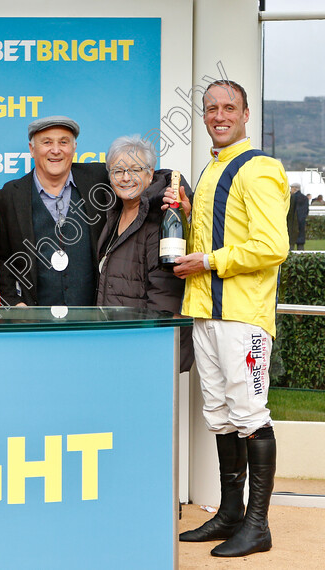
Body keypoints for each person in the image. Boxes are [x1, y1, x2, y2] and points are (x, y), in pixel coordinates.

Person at [168, 80, 289, 558]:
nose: (219, 115)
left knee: (249, 416)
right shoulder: (214, 169)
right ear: (203, 115)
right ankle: (230, 513)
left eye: (228, 108)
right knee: (219, 416)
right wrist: (186, 212)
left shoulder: (258, 168)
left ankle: (258, 525)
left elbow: (272, 246)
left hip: (243, 318)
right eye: (211, 108)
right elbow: (219, 232)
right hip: (205, 312)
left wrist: (210, 262)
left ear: (245, 115)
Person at [96, 135, 194, 372]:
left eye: (135, 169)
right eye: (118, 170)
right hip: (115, 341)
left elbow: (164, 295)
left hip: (143, 347)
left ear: (150, 174)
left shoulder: (160, 219)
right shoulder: (115, 214)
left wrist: (150, 350)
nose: (126, 177)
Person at [0, 116, 111, 307]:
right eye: (47, 142)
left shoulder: (99, 179)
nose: (55, 150)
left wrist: (175, 186)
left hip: (92, 320)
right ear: (32, 149)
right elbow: (2, 257)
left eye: (63, 142)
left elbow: (145, 176)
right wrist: (13, 301)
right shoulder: (9, 196)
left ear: (74, 148)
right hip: (35, 322)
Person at [290, 184, 309, 250]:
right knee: (300, 242)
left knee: (291, 242)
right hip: (302, 221)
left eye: (291, 188)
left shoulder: (292, 197)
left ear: (294, 189)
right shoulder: (305, 198)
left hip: (293, 222)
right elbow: (306, 210)